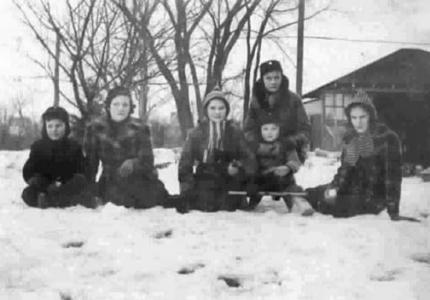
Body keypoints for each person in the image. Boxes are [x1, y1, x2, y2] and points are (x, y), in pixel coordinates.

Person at [306, 90, 402, 220]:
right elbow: (345, 171)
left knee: (326, 204)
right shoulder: (352, 139)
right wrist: (333, 188)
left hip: (373, 198)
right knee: (311, 193)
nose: (358, 122)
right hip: (351, 190)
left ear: (371, 116)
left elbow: (393, 178)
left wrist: (393, 211)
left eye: (363, 117)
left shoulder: (387, 138)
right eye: (354, 118)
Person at [83, 86, 169, 209]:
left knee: (156, 196)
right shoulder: (95, 128)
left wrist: (134, 162)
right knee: (120, 199)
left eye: (125, 105)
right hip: (110, 180)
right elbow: (91, 165)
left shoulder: (140, 127)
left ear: (130, 108)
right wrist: (90, 192)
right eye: (116, 104)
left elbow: (148, 161)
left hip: (138, 177)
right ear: (108, 106)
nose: (121, 108)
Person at [178, 87, 257, 212]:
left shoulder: (235, 132)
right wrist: (186, 190)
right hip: (205, 178)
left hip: (229, 178)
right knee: (206, 205)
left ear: (226, 110)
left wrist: (238, 168)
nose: (217, 112)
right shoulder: (196, 133)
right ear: (206, 110)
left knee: (230, 205)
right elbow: (185, 164)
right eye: (213, 108)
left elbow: (248, 158)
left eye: (221, 108)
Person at [22, 106, 91, 208]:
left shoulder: (74, 146)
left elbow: (83, 170)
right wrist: (38, 181)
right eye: (50, 126)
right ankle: (48, 200)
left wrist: (70, 181)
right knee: (28, 193)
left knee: (80, 184)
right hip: (45, 186)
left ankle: (55, 200)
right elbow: (28, 171)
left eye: (58, 126)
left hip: (66, 186)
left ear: (66, 126)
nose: (54, 130)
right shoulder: (38, 147)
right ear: (45, 128)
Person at [244, 60, 311, 163]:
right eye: (268, 78)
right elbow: (248, 130)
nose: (273, 82)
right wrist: (258, 145)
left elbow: (305, 130)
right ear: (262, 79)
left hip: (288, 157)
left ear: (281, 77)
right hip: (260, 157)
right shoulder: (256, 101)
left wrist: (287, 143)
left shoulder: (293, 100)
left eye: (276, 77)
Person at [248, 116, 314, 215]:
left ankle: (298, 204)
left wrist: (288, 167)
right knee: (250, 185)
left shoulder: (286, 145)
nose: (269, 132)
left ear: (279, 130)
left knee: (292, 188)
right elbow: (249, 161)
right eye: (265, 129)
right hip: (262, 179)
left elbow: (294, 161)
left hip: (281, 178)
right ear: (260, 130)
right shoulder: (256, 146)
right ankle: (246, 203)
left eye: (273, 129)